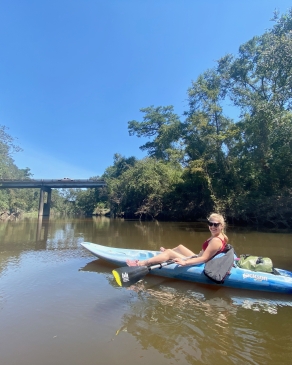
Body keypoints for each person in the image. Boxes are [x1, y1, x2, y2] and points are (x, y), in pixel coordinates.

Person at [126, 213, 228, 267]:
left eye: (216, 224)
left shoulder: (216, 240)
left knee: (170, 252)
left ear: (222, 226)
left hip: (199, 263)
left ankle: (141, 263)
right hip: (197, 256)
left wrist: (185, 263)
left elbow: (204, 259)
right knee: (180, 247)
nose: (212, 226)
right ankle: (165, 254)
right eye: (210, 224)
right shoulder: (220, 236)